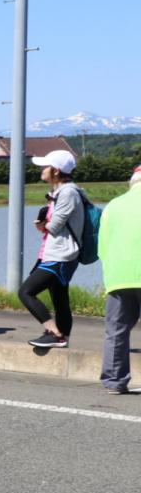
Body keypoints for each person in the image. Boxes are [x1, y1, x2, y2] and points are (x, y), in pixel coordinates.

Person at [19, 150, 85, 348]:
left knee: (26, 292)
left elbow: (54, 226)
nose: (41, 169)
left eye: (45, 166)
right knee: (59, 299)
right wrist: (45, 223)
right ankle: (62, 338)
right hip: (58, 253)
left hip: (61, 255)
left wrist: (43, 223)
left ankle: (54, 333)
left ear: (56, 171)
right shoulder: (61, 192)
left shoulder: (68, 193)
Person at [99, 166, 141, 394]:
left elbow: (102, 246)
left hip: (118, 277)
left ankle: (115, 381)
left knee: (116, 330)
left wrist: (112, 272)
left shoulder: (113, 205)